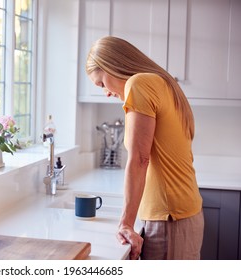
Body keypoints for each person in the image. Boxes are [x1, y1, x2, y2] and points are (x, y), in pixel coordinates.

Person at [85, 36, 204, 260]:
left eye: (101, 83)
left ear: (111, 66)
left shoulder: (139, 84)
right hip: (181, 214)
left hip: (170, 220)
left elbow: (140, 159)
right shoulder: (163, 82)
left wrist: (126, 224)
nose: (106, 92)